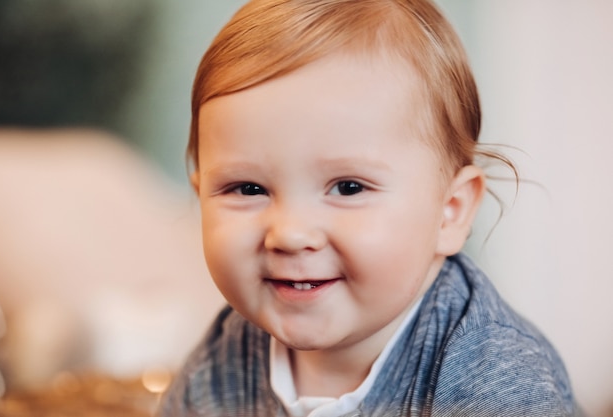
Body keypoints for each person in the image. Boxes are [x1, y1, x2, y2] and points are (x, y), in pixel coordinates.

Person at [159, 0, 580, 415]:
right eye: (247, 188)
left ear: (449, 211)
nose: (289, 233)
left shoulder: (495, 384)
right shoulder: (223, 362)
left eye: (347, 187)